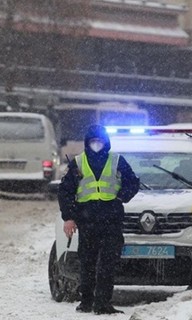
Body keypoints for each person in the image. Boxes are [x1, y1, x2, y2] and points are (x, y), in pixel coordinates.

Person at [58, 124, 140, 315]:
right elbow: (65, 192)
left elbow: (133, 182)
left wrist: (122, 196)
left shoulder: (117, 160)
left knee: (108, 263)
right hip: (87, 219)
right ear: (87, 143)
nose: (97, 145)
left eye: (100, 141)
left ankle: (103, 303)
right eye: (93, 141)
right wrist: (69, 218)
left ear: (106, 142)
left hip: (111, 217)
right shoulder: (78, 163)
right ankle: (86, 301)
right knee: (87, 261)